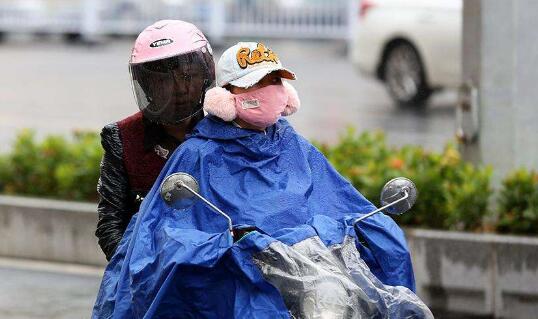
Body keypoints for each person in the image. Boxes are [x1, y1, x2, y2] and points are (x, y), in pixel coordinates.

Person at [93, 42, 424, 318]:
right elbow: (169, 232)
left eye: (274, 83)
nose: (267, 93)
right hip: (247, 275)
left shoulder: (294, 144)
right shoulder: (197, 154)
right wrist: (233, 244)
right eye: (254, 85)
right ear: (225, 97)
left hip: (316, 269)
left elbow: (338, 201)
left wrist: (346, 228)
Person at [95, 20, 215, 261]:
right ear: (147, 85)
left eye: (188, 76)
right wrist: (142, 270)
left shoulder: (225, 130)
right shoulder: (123, 137)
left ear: (205, 76)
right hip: (149, 274)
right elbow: (110, 223)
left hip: (215, 270)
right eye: (164, 80)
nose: (180, 88)